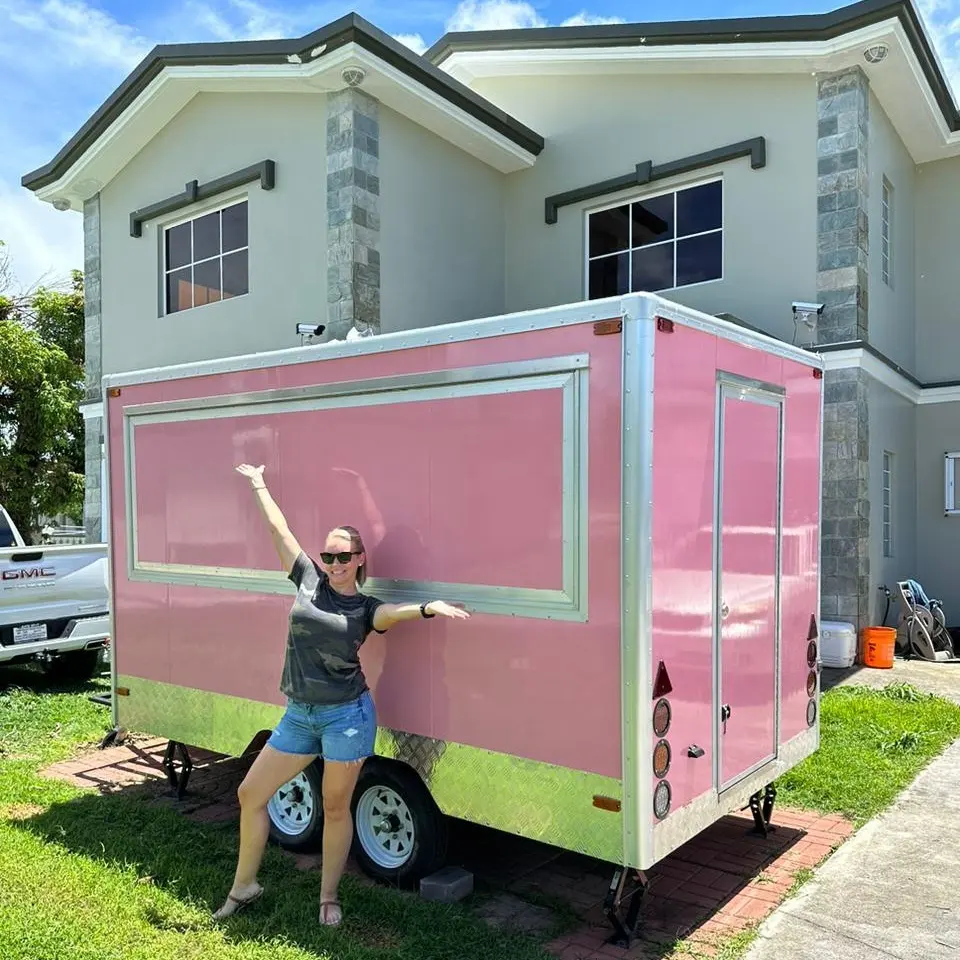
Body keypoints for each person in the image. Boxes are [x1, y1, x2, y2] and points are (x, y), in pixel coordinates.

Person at [213, 463, 470, 926]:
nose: (333, 564)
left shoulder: (364, 607)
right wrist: (258, 482)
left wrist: (428, 608)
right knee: (250, 793)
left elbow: (393, 613)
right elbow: (279, 528)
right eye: (328, 556)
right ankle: (244, 886)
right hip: (298, 715)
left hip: (346, 718)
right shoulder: (307, 581)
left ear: (359, 559)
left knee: (334, 807)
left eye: (342, 557)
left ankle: (328, 896)